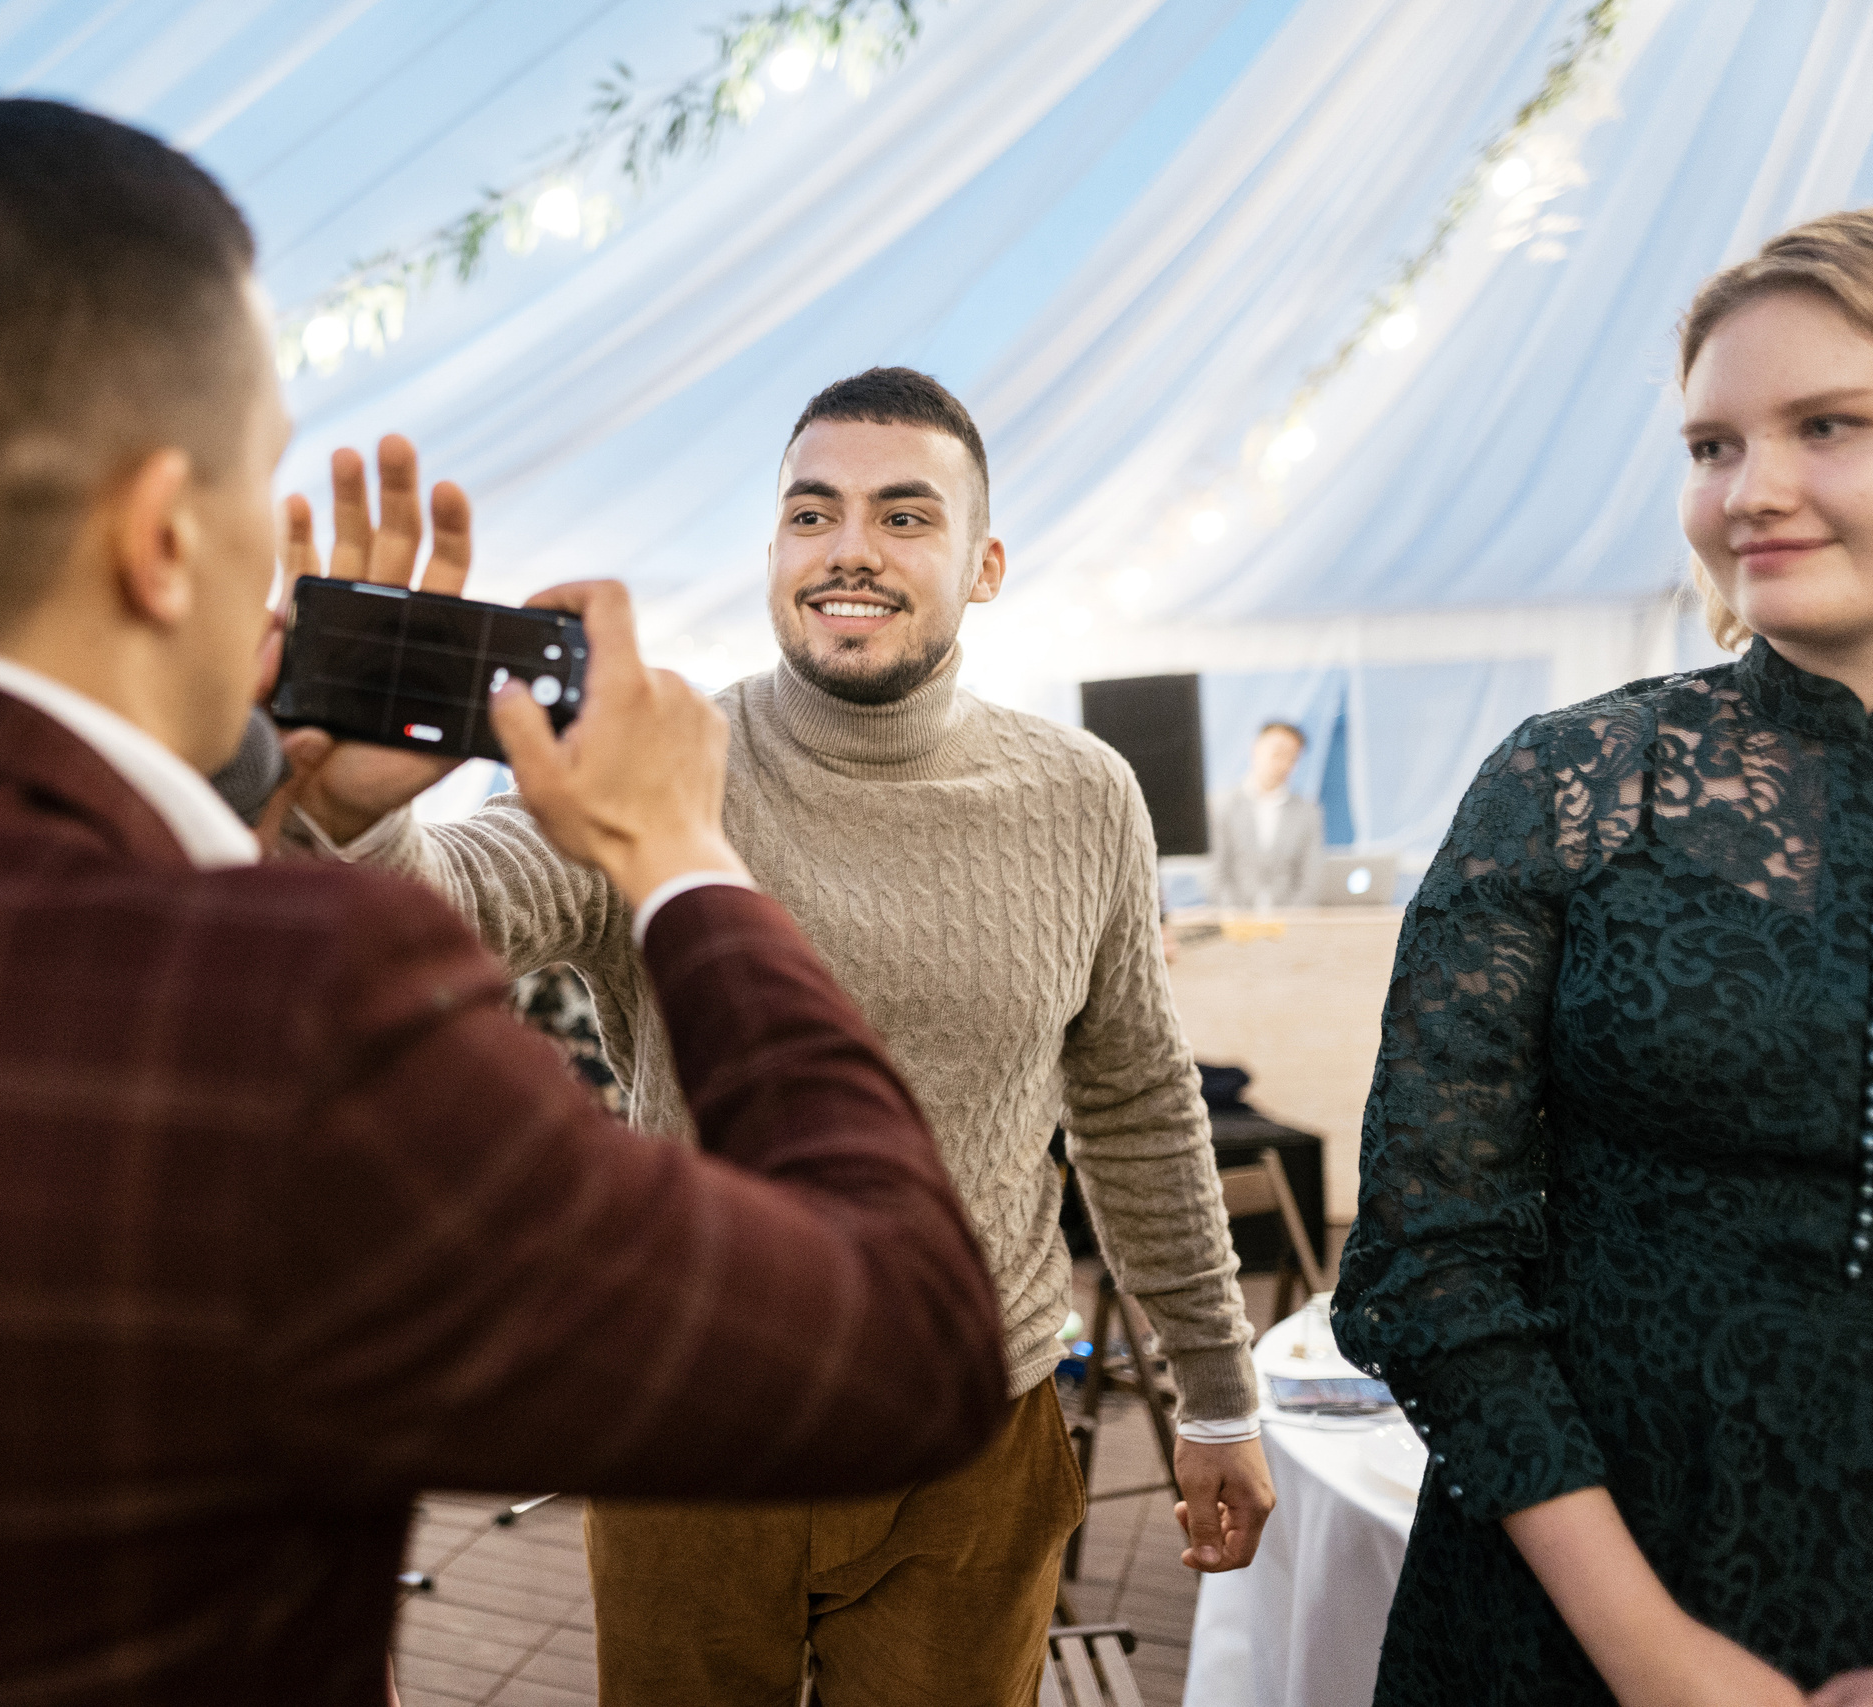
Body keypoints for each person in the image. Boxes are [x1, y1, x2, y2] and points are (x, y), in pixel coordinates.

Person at [0, 99, 1014, 1706]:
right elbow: (908, 1346)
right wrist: (681, 854)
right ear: (168, 534)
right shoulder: (293, 1012)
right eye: (257, 485)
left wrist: (266, 817)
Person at [281, 369, 1273, 1705]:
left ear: (983, 565)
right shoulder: (668, 755)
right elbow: (446, 909)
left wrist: (1216, 1387)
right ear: (773, 555)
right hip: (697, 1422)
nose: (849, 546)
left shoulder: (1087, 793)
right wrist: (357, 820)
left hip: (980, 1428)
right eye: (812, 513)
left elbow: (1140, 1104)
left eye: (903, 515)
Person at [1334, 210, 1873, 1707]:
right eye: (1711, 446)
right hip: (1577, 1611)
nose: (1750, 491)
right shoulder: (1579, 779)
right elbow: (1428, 1262)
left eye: (1827, 424)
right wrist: (1662, 1659)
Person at [1206, 718, 1324, 908]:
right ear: (1256, 749)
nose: (1283, 763)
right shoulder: (1222, 805)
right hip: (1233, 923)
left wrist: (1288, 921)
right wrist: (1238, 921)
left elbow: (1311, 877)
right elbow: (1214, 872)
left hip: (1289, 925)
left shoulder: (1308, 812)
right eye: (1277, 753)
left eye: (1292, 757)